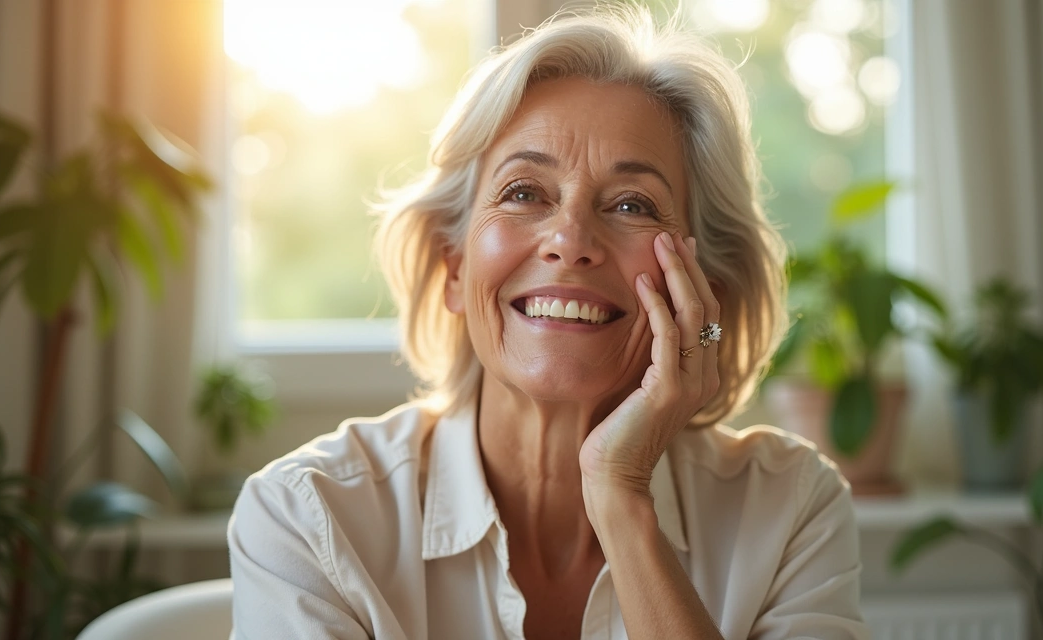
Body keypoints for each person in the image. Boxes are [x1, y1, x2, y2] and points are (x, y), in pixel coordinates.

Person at [228, 6, 867, 639]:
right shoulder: (309, 517)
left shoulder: (788, 509)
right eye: (524, 192)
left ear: (705, 294)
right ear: (453, 266)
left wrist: (621, 497)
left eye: (630, 204)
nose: (570, 238)